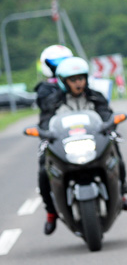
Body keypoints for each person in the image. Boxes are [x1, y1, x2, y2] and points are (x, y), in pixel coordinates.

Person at [40, 57, 127, 234]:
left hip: (93, 143)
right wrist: (44, 132)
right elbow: (45, 121)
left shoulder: (95, 97)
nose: (78, 83)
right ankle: (51, 212)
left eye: (81, 78)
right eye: (73, 79)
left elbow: (107, 115)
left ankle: (121, 193)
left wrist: (110, 123)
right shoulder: (53, 101)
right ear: (63, 81)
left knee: (116, 156)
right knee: (43, 171)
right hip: (65, 145)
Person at [34, 45, 73, 234]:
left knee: (112, 145)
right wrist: (64, 87)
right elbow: (47, 106)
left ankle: (121, 189)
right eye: (56, 64)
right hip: (55, 136)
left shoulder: (81, 82)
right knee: (43, 171)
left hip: (81, 132)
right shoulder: (45, 89)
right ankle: (51, 211)